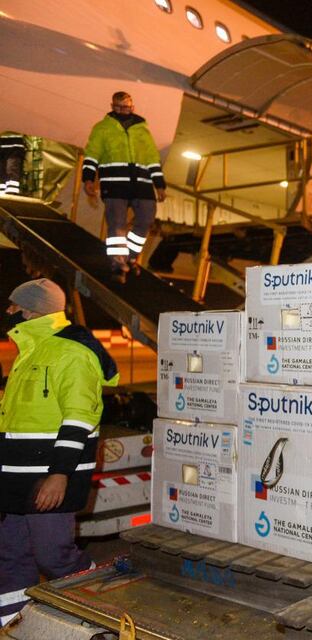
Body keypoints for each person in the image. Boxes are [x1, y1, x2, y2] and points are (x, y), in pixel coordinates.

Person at [0, 279, 119, 625]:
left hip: (48, 477)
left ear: (30, 310)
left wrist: (60, 474)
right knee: (10, 558)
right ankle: (12, 624)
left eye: (13, 306)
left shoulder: (73, 352)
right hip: (14, 479)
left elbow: (79, 418)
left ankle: (101, 603)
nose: (8, 313)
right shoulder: (32, 351)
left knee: (55, 558)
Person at [82, 91, 166, 283]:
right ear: (112, 106)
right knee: (117, 224)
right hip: (114, 183)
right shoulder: (102, 128)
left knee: (145, 220)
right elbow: (92, 155)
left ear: (132, 107)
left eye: (126, 107)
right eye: (118, 107)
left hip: (142, 184)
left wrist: (159, 185)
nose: (122, 110)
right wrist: (88, 179)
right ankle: (118, 263)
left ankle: (131, 256)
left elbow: (153, 158)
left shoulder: (142, 129)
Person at [0, 132, 26, 196]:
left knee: (12, 167)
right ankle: (4, 193)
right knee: (2, 169)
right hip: (6, 142)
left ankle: (11, 192)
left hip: (15, 144)